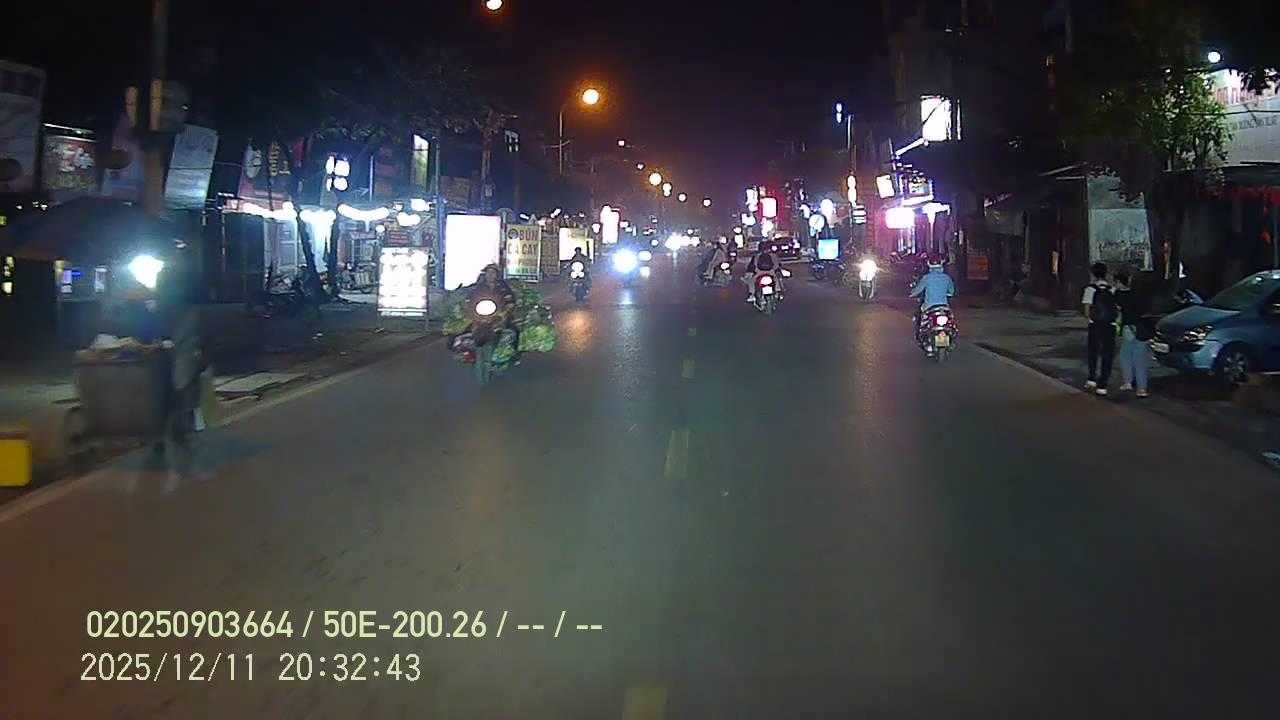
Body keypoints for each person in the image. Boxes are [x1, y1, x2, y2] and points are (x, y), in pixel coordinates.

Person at [1113, 270, 1151, 398]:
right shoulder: (1140, 294)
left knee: (1126, 355)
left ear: (1119, 282)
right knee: (1140, 358)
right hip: (1143, 328)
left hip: (1129, 327)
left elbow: (1118, 311)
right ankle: (1141, 388)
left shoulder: (1119, 295)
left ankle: (1128, 382)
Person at [1082, 262, 1118, 396]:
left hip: (1095, 325)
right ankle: (1102, 385)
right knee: (1107, 355)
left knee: (1093, 351)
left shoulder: (1090, 289)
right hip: (1110, 325)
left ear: (1093, 274)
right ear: (1106, 274)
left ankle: (1091, 379)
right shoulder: (1112, 289)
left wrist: (1092, 318)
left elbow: (1087, 310)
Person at [909, 254, 956, 339]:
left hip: (929, 306)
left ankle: (920, 334)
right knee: (950, 319)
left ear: (929, 265)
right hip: (944, 307)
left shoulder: (926, 278)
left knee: (921, 317)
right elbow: (952, 291)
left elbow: (917, 290)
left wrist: (912, 293)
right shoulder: (947, 278)